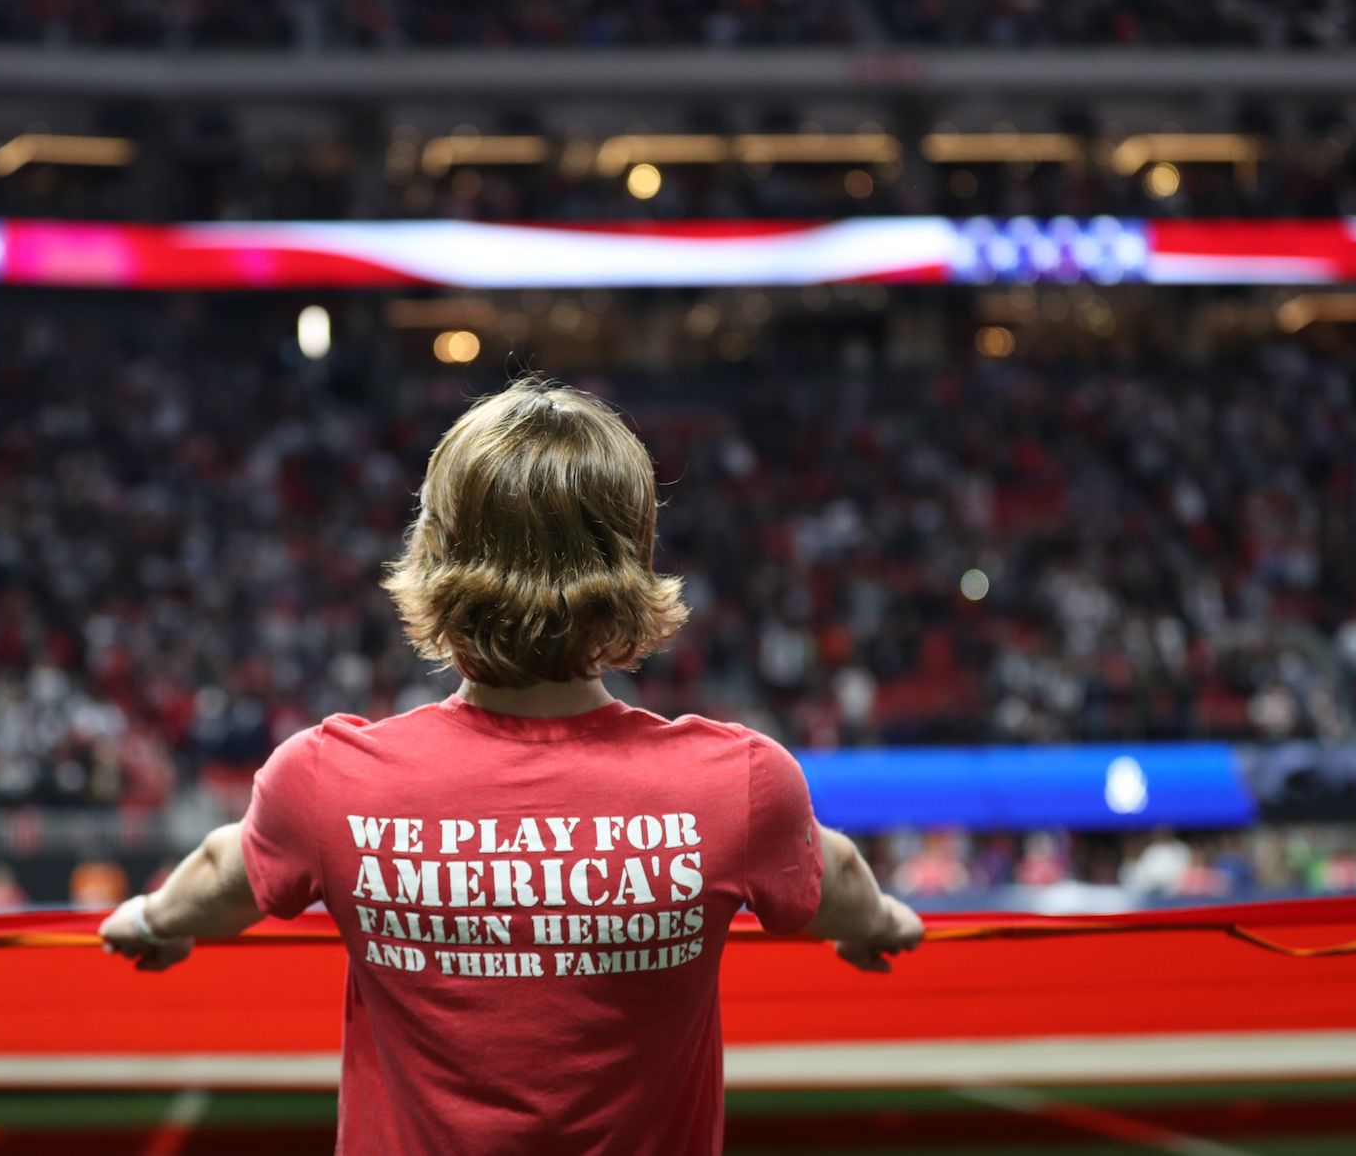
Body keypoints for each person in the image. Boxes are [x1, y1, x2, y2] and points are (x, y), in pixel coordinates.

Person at [100, 377, 922, 1154]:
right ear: (630, 557)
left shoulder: (328, 779)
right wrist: (876, 923)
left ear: (435, 553)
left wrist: (153, 922)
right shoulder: (736, 782)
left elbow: (224, 868)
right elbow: (832, 874)